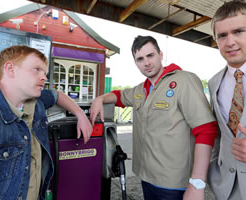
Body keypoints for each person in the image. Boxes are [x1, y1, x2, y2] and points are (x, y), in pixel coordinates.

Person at [90, 35, 218, 200]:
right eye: (140, 59)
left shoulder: (184, 80)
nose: (146, 63)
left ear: (160, 54)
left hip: (173, 183)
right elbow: (118, 96)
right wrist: (99, 99)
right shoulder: (140, 90)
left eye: (150, 55)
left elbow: (206, 130)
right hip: (146, 177)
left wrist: (197, 183)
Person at [0, 45, 93, 200]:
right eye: (36, 70)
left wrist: (80, 114)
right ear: (10, 69)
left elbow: (57, 95)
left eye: (45, 73)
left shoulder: (37, 100)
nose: (44, 77)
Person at [207, 1, 246, 199]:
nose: (230, 42)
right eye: (222, 35)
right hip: (226, 190)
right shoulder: (214, 82)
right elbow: (218, 136)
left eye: (238, 31)